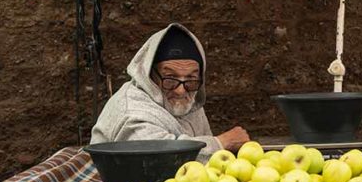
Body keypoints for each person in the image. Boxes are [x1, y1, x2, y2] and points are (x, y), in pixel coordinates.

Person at [91, 23, 249, 156]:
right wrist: (220, 143)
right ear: (149, 74)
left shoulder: (191, 98)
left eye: (191, 79)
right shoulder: (132, 111)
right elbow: (156, 157)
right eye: (170, 79)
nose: (180, 91)